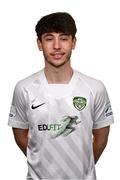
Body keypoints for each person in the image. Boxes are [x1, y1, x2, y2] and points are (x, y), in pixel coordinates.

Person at [8, 12, 114, 180]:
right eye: (49, 39)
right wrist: (41, 162)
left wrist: (81, 166)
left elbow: (101, 137)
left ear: (74, 42)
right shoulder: (24, 88)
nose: (57, 46)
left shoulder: (95, 88)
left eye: (64, 38)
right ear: (39, 44)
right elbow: (20, 135)